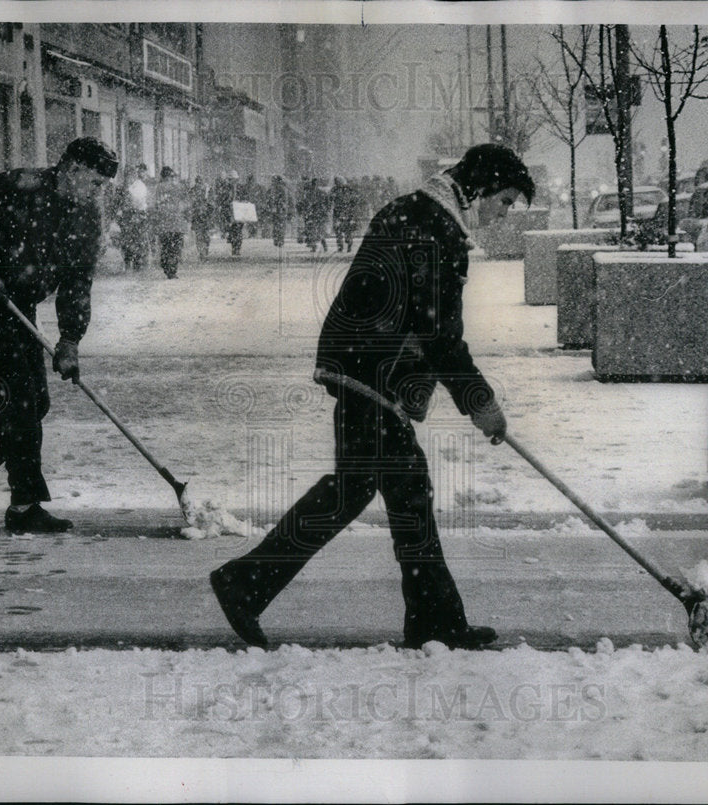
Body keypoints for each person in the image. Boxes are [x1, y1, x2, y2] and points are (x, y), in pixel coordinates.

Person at [210, 143, 535, 650]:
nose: (503, 212)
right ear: (482, 188)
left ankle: (250, 584)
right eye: (507, 200)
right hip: (368, 372)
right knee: (400, 492)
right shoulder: (436, 229)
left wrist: (424, 383)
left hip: (361, 365)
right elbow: (440, 335)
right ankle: (430, 619)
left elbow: (409, 315)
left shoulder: (420, 212)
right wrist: (481, 404)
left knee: (370, 492)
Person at [0, 136, 119, 533]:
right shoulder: (20, 186)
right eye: (96, 182)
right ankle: (20, 505)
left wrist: (70, 340)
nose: (98, 192)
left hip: (18, 308)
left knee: (32, 405)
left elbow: (78, 281)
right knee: (26, 402)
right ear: (73, 168)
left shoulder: (86, 218)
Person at [152, 167, 189, 279]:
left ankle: (166, 265)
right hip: (177, 223)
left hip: (165, 224)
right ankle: (172, 269)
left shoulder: (158, 188)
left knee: (166, 246)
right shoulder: (178, 187)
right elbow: (186, 203)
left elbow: (155, 205)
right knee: (175, 248)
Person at [118, 163, 150, 271]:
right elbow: (118, 202)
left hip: (135, 215)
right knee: (131, 239)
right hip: (130, 215)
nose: (130, 176)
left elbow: (141, 201)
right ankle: (131, 261)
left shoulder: (138, 185)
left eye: (131, 174)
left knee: (135, 239)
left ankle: (135, 262)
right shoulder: (124, 187)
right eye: (128, 174)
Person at [189, 175, 214, 261]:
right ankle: (204, 253)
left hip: (199, 216)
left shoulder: (196, 190)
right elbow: (212, 204)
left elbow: (190, 203)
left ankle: (202, 253)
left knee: (200, 235)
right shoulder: (205, 190)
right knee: (204, 235)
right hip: (204, 216)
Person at [267, 175, 291, 249]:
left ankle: (278, 240)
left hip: (279, 210)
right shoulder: (281, 188)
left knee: (278, 225)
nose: (272, 182)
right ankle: (279, 240)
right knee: (279, 225)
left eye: (273, 180)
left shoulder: (279, 188)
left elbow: (282, 199)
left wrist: (275, 205)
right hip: (279, 210)